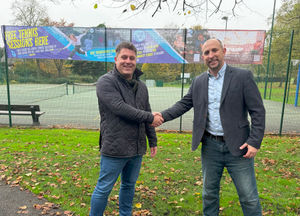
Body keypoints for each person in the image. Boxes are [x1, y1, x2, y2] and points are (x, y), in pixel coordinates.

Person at [156, 38, 265, 216]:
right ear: (203, 56)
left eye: (214, 51)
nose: (211, 56)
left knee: (248, 197)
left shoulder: (242, 77)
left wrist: (254, 141)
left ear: (224, 51)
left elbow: (258, 111)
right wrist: (161, 116)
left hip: (240, 147)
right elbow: (184, 104)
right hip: (210, 147)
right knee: (209, 195)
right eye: (206, 53)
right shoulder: (198, 81)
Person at [89, 42, 163, 216]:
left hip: (137, 148)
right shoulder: (106, 82)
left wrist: (152, 139)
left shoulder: (142, 86)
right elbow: (120, 108)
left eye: (132, 58)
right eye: (124, 57)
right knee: (104, 188)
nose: (128, 61)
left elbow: (146, 110)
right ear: (116, 59)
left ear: (136, 61)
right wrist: (150, 117)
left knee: (129, 186)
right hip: (115, 147)